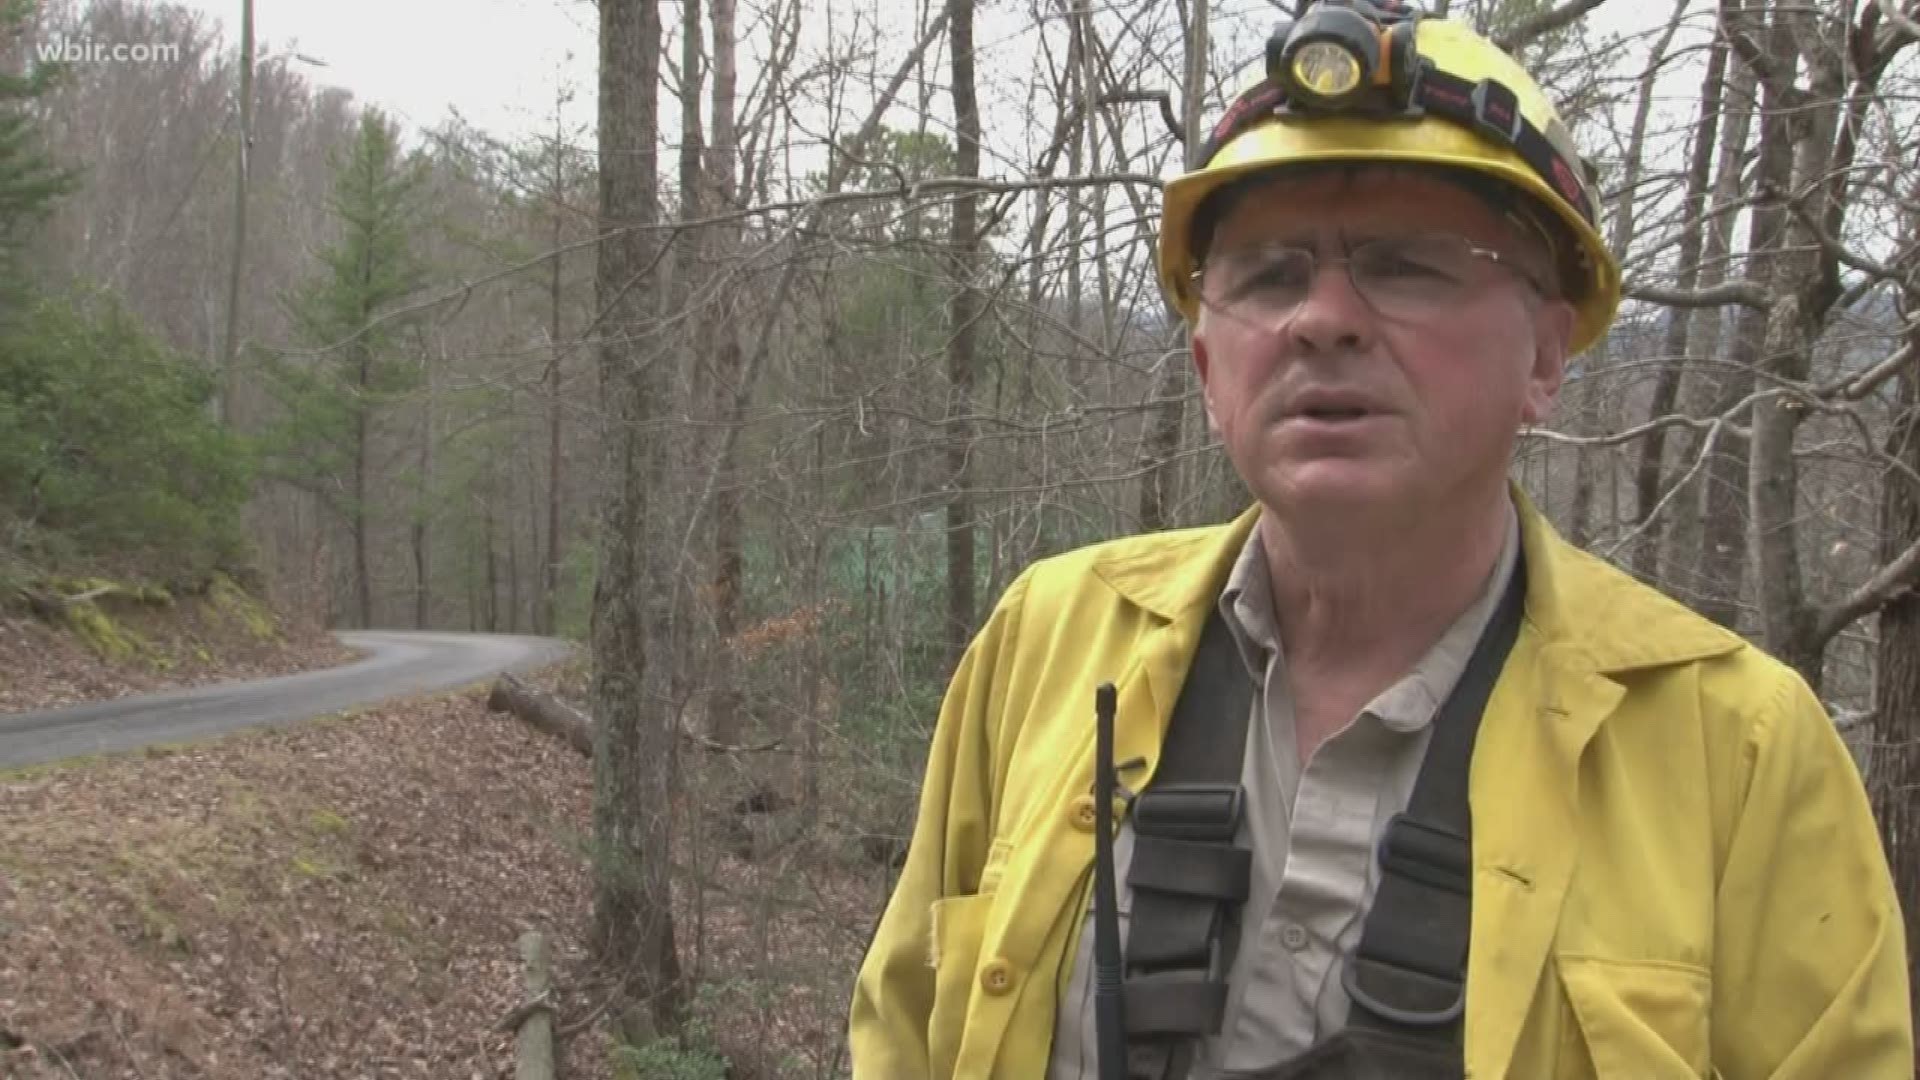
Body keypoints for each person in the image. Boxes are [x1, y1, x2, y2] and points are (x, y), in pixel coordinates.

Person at [847, 2, 1913, 1077]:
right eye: (1268, 275)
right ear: (1212, 369)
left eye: (1407, 265)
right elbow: (899, 1033)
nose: (1322, 318)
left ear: (1546, 356)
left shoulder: (1736, 750)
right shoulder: (1050, 646)